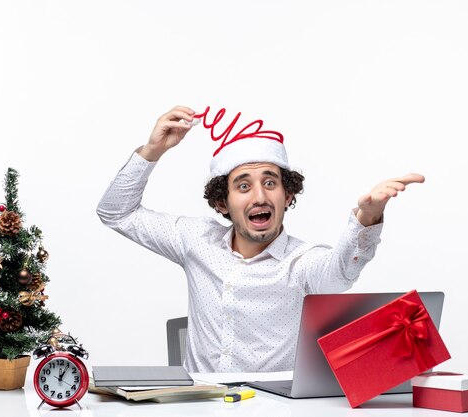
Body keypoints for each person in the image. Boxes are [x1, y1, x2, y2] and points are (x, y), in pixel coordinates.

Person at [97, 105, 425, 373]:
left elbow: (339, 274)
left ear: (287, 195)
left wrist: (367, 218)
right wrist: (152, 151)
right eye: (243, 186)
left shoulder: (303, 261)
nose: (259, 197)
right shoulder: (195, 240)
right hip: (200, 407)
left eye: (270, 183)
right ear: (222, 202)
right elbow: (116, 213)